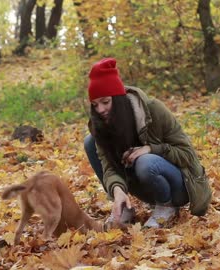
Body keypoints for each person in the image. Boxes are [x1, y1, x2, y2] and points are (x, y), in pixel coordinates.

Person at [83, 58, 212, 228]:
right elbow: (109, 167)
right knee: (90, 141)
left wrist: (151, 149)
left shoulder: (153, 109)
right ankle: (124, 206)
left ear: (119, 98)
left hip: (180, 186)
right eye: (95, 104)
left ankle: (167, 207)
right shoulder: (101, 124)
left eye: (106, 102)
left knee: (145, 160)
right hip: (145, 187)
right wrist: (117, 190)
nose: (100, 110)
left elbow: (187, 155)